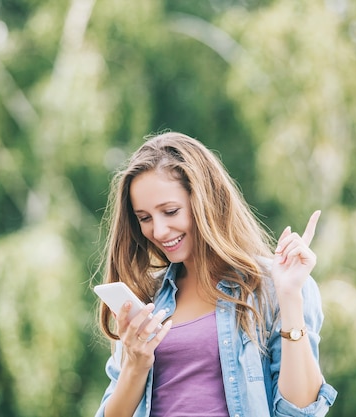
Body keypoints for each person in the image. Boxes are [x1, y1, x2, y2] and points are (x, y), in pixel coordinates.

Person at [94, 132, 337, 417]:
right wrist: (136, 363)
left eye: (170, 211)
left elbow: (302, 412)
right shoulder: (146, 300)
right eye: (145, 218)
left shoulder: (274, 287)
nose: (158, 231)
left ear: (205, 201)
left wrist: (289, 297)